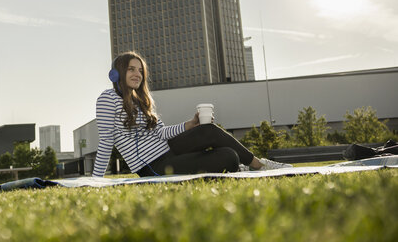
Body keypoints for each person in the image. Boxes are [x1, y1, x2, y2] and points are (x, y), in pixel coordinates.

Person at [92, 51, 292, 178]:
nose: (138, 74)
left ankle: (259, 164)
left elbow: (162, 133)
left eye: (140, 70)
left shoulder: (142, 100)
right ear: (116, 74)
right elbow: (106, 142)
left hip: (169, 148)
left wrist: (189, 124)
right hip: (153, 165)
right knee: (229, 157)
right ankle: (249, 166)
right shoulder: (107, 98)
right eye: (131, 69)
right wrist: (95, 180)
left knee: (208, 130)